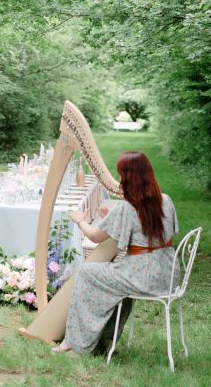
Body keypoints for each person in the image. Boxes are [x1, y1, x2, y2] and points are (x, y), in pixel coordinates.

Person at [51, 151, 179, 355]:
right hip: (166, 273)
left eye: (121, 175)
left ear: (128, 178)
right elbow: (162, 231)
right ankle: (107, 339)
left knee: (86, 272)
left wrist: (79, 219)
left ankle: (74, 343)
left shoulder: (127, 208)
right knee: (116, 284)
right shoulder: (166, 200)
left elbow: (94, 236)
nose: (119, 180)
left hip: (140, 276)